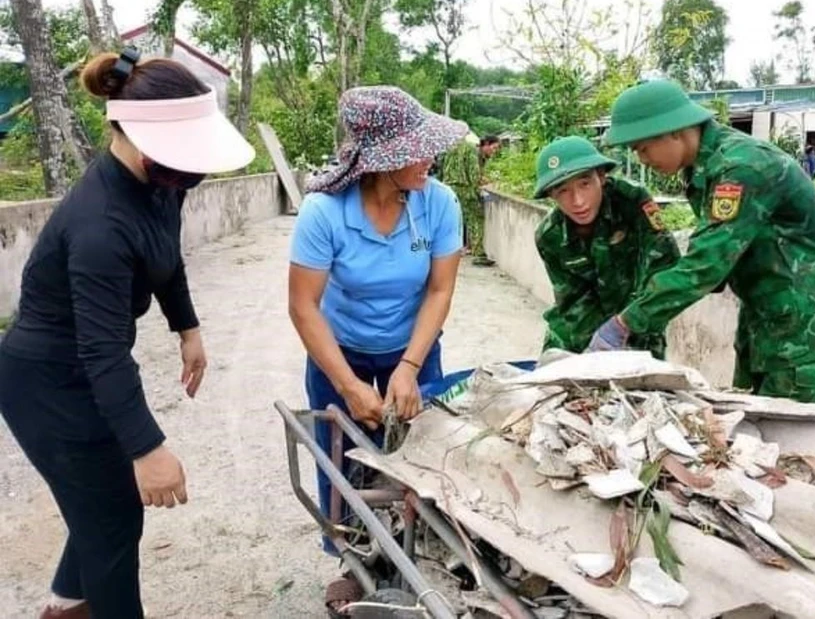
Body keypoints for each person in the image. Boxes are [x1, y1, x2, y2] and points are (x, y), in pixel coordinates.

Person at [0, 48, 254, 618]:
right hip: (44, 383)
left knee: (100, 508)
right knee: (113, 513)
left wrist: (187, 326)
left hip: (82, 369)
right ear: (137, 136)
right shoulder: (99, 226)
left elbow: (167, 257)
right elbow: (104, 352)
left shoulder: (163, 181)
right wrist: (147, 447)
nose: (192, 173)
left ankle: (66, 608)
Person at [587, 80, 815, 403]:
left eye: (643, 148)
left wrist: (625, 322)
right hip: (765, 316)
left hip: (805, 323)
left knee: (787, 438)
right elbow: (715, 257)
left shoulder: (741, 167)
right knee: (749, 422)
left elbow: (706, 267)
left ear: (674, 130)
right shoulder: (703, 169)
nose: (642, 159)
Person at [287, 86, 466, 558]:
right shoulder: (324, 212)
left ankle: (419, 554)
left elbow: (440, 289)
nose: (430, 157)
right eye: (418, 150)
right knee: (339, 455)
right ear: (383, 160)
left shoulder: (439, 203)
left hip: (413, 346)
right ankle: (349, 557)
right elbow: (304, 306)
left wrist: (408, 366)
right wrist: (347, 385)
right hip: (340, 348)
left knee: (422, 452)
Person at [533, 136, 680, 359]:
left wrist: (628, 324)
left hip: (639, 328)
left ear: (601, 177)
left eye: (585, 184)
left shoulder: (631, 201)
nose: (578, 201)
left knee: (644, 391)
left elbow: (664, 267)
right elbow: (573, 303)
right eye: (562, 191)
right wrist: (591, 353)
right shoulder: (550, 237)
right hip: (576, 334)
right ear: (551, 195)